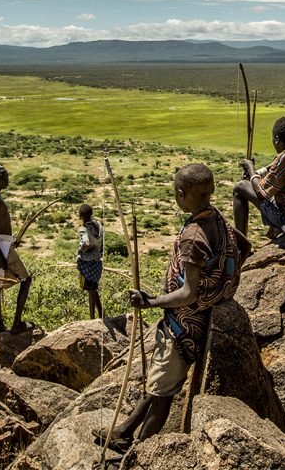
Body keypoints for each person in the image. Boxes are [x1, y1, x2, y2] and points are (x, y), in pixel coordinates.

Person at [94, 163, 251, 452]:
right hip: (197, 317)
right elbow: (246, 246)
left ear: (181, 194)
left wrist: (150, 301)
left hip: (185, 326)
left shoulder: (194, 236)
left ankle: (139, 452)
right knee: (158, 379)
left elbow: (189, 293)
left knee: (163, 391)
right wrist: (223, 282)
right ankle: (124, 429)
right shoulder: (216, 218)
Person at [0, 165, 33, 334]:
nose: (7, 179)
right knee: (25, 279)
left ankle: (0, 325)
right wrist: (1, 255)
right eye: (3, 177)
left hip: (2, 244)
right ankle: (15, 323)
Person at [77, 203, 104, 319]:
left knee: (91, 290)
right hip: (98, 262)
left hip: (87, 263)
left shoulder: (83, 229)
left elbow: (86, 243)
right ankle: (101, 313)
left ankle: (92, 317)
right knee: (94, 288)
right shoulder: (99, 225)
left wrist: (82, 249)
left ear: (80, 216)